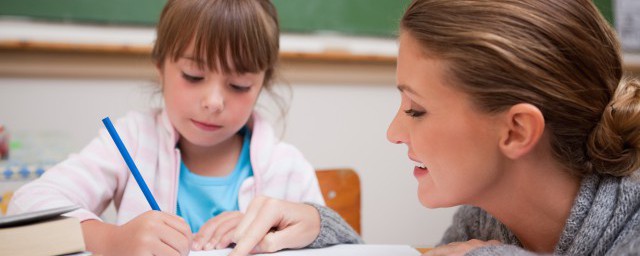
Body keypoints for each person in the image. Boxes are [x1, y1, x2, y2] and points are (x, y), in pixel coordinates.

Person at [224, 0, 640, 255]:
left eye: (416, 110)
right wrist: (322, 231)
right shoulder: (483, 222)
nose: (393, 132)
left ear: (515, 131)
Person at [8, 0, 325, 255]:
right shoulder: (131, 140)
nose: (213, 101)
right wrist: (110, 241)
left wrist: (314, 224)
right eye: (193, 76)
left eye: (239, 85)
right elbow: (27, 205)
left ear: (261, 84)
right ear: (160, 67)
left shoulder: (287, 167)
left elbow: (347, 244)